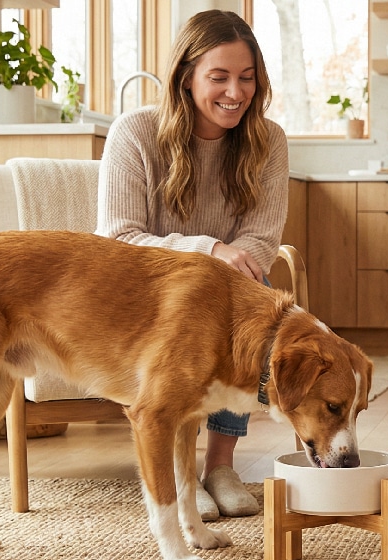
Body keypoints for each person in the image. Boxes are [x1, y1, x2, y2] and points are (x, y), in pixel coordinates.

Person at [96, 10, 288, 521]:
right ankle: (179, 478)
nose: (235, 92)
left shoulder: (268, 141)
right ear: (186, 77)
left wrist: (223, 268)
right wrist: (208, 250)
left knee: (255, 294)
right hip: (144, 291)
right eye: (219, 77)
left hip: (229, 285)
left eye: (247, 78)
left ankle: (219, 465)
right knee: (211, 305)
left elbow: (261, 238)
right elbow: (118, 238)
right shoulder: (135, 132)